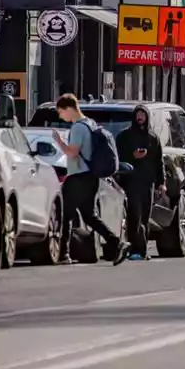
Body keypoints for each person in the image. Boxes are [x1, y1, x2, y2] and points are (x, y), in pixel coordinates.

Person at [53, 94, 128, 265]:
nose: (60, 116)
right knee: (89, 216)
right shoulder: (90, 123)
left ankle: (63, 254)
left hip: (78, 176)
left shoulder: (78, 128)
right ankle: (116, 242)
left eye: (61, 112)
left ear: (69, 109)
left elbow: (72, 152)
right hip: (91, 177)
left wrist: (59, 142)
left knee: (66, 214)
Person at [115, 105, 165, 260]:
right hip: (130, 182)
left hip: (147, 183)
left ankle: (142, 251)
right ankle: (133, 249)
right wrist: (132, 156)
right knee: (134, 215)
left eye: (143, 114)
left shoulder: (153, 138)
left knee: (145, 217)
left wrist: (161, 183)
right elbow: (117, 158)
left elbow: (159, 162)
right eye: (138, 114)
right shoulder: (124, 136)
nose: (140, 117)